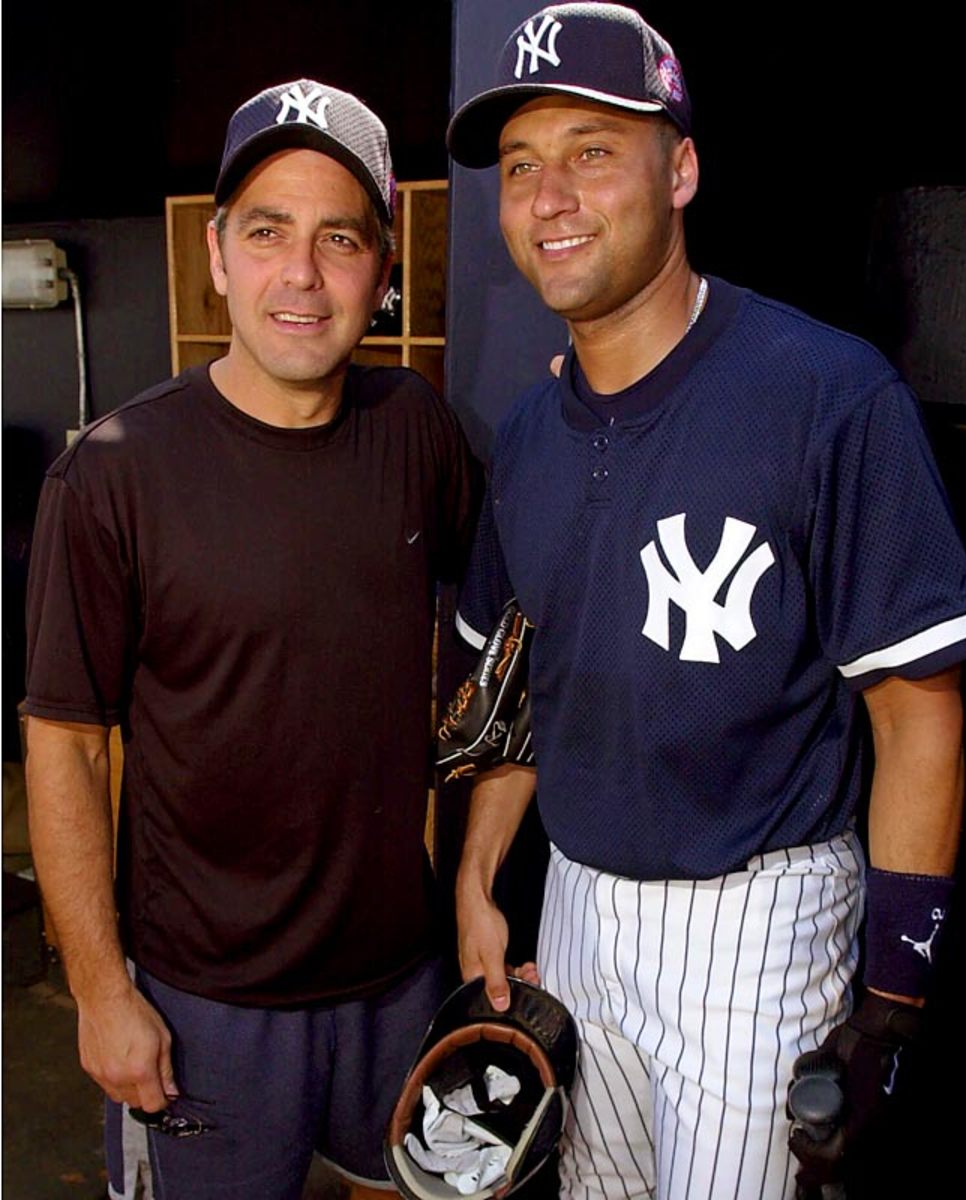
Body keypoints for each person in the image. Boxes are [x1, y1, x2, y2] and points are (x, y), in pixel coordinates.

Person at [444, 6, 966, 1199]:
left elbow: (918, 712)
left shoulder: (825, 395)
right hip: (581, 908)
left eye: (593, 151)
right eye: (522, 166)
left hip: (758, 912)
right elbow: (522, 684)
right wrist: (480, 878)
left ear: (680, 169)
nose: (552, 198)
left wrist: (893, 999)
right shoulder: (530, 432)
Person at [24, 79, 481, 1200]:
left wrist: (477, 876)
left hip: (399, 981)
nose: (302, 274)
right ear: (219, 255)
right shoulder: (115, 474)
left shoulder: (416, 426)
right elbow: (67, 749)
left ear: (382, 271)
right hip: (205, 1006)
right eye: (268, 232)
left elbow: (499, 644)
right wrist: (99, 991)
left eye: (339, 237)